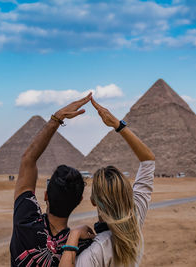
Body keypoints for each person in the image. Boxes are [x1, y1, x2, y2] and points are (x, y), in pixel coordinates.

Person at [59, 97, 155, 267]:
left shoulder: (95, 252)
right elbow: (148, 160)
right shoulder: (136, 220)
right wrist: (118, 125)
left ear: (93, 201)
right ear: (127, 193)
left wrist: (73, 236)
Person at [10, 93, 96, 267]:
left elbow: (28, 159)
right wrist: (77, 233)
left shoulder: (25, 220)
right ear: (78, 201)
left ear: (46, 195)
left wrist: (57, 118)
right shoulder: (83, 246)